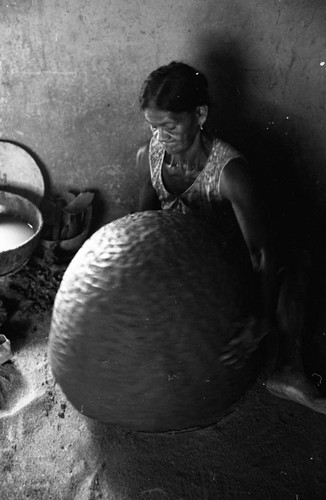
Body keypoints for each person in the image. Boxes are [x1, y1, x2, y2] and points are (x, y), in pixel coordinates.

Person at [136, 60, 326, 415]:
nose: (160, 136)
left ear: (200, 114)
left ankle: (287, 367)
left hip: (221, 271)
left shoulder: (228, 171)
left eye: (169, 126)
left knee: (298, 260)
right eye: (153, 126)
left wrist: (261, 317)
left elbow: (260, 254)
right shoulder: (154, 152)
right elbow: (142, 224)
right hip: (178, 267)